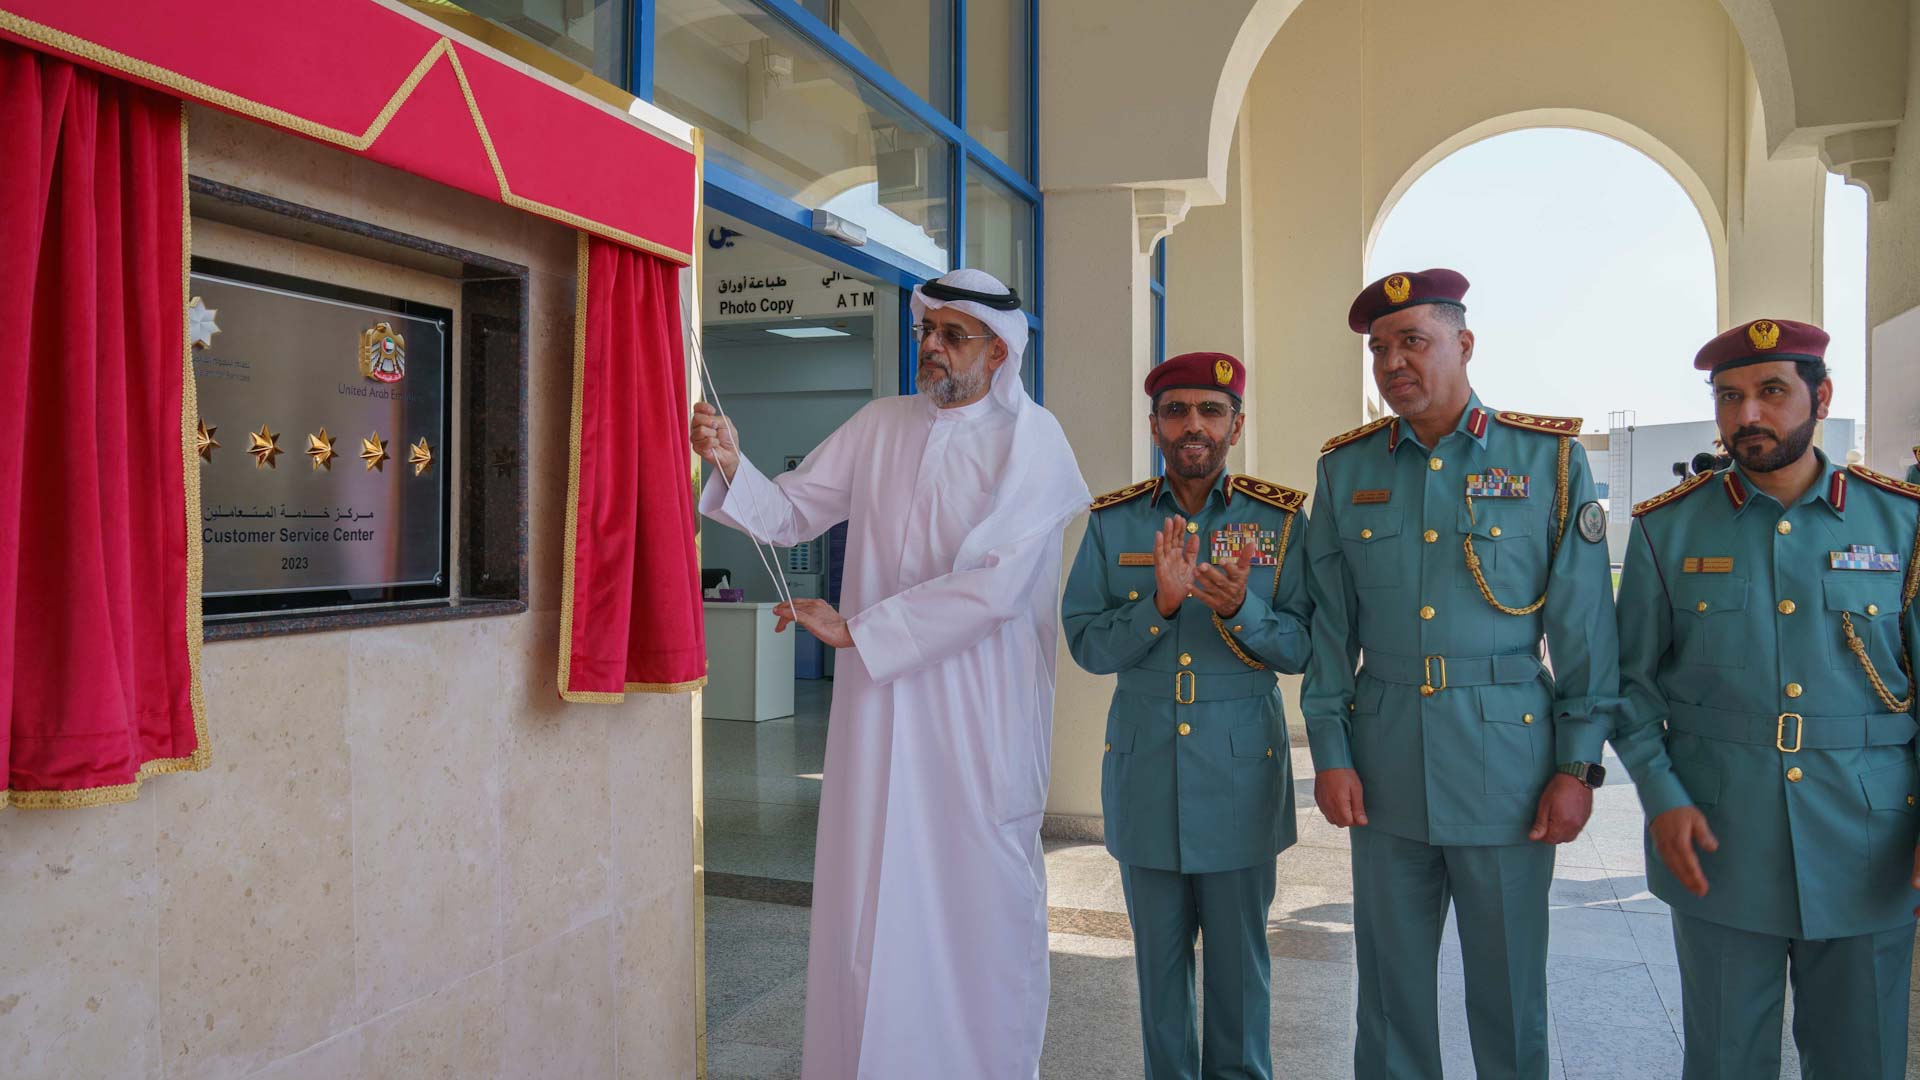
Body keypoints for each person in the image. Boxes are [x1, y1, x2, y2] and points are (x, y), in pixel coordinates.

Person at [689, 268, 1090, 1079]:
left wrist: (860, 627)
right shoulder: (879, 424)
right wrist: (733, 463)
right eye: (925, 332)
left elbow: (997, 585)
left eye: (952, 334)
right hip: (876, 704)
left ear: (999, 349)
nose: (933, 348)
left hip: (977, 714)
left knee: (972, 897)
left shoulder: (1032, 440)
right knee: (868, 889)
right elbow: (794, 509)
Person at [1300, 269, 1619, 1079]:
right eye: (1380, 349)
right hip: (1385, 758)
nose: (1393, 362)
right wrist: (1330, 747)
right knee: (1390, 989)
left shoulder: (1546, 461)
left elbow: (1583, 627)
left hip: (1509, 761)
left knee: (1510, 987)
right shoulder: (1346, 470)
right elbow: (1332, 628)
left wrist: (1578, 764)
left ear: (1463, 344)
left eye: (1414, 340)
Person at [1609, 318, 1920, 1079]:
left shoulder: (1902, 523)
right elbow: (1628, 685)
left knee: (1862, 1057)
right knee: (1723, 1060)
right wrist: (1660, 792)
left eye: (1772, 392)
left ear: (1821, 397)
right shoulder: (1669, 529)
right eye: (1729, 396)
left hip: (1868, 837)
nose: (1748, 414)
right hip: (1721, 834)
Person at [1061, 351, 1310, 1080]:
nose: (1191, 425)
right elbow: (1085, 642)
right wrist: (1160, 606)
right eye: (1175, 411)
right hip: (1146, 776)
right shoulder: (1113, 522)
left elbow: (1304, 647)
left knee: (1239, 973)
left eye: (1209, 410)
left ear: (1237, 424)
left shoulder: (1283, 519)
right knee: (1158, 975)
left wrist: (1244, 609)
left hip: (1240, 777)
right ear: (1154, 426)